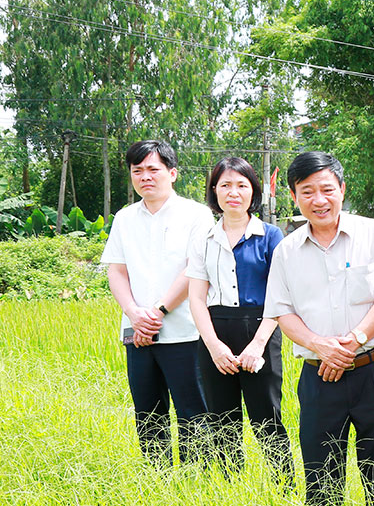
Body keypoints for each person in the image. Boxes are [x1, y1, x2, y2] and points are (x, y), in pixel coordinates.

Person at [263, 152, 374, 506]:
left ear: (342, 189)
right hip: (319, 375)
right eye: (307, 191)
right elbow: (282, 312)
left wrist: (350, 342)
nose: (319, 200)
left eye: (327, 189)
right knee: (320, 479)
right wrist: (320, 346)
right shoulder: (286, 251)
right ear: (294, 196)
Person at [101, 140, 214, 467]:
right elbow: (116, 271)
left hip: (185, 331)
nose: (145, 177)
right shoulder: (125, 218)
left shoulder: (196, 215)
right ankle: (157, 477)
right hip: (138, 332)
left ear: (172, 173)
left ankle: (196, 481)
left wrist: (158, 310)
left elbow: (195, 269)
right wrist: (134, 313)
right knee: (148, 412)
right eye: (137, 171)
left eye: (153, 169)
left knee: (193, 412)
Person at [186, 157, 292, 483]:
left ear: (253, 191)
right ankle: (230, 487)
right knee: (221, 418)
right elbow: (196, 298)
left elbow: (280, 294)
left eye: (241, 185)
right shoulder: (203, 238)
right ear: (214, 191)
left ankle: (284, 488)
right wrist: (214, 346)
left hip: (261, 328)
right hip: (215, 331)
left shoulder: (270, 236)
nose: (233, 192)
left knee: (267, 416)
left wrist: (257, 345)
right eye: (225, 185)